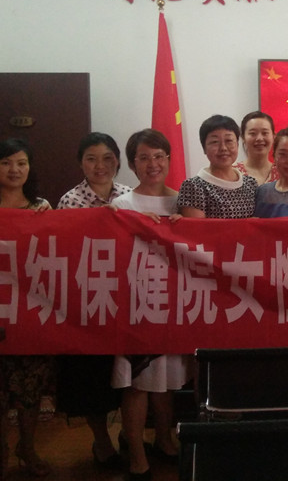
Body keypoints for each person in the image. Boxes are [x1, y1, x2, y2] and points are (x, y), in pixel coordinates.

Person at [0, 138, 52, 477]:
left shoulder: (42, 206)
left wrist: (48, 222)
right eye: (6, 163)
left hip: (31, 310)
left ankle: (27, 447)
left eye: (21, 163)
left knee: (31, 386)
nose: (14, 170)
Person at [110, 129, 188, 481]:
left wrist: (187, 227)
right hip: (135, 303)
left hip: (176, 302)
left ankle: (165, 440)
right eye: (144, 158)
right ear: (132, 164)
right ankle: (137, 456)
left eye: (159, 156)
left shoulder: (182, 203)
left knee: (168, 379)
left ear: (169, 159)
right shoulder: (122, 205)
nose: (153, 164)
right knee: (137, 382)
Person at [54, 132, 128, 470]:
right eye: (91, 159)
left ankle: (129, 435)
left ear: (118, 161)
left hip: (127, 298)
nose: (100, 166)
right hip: (86, 301)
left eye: (108, 158)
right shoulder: (69, 201)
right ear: (80, 163)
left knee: (128, 373)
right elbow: (65, 251)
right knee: (91, 376)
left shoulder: (129, 196)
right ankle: (102, 442)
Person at [178, 115, 258, 219]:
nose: (223, 148)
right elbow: (197, 228)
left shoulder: (251, 184)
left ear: (238, 145)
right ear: (204, 148)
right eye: (214, 142)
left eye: (229, 141)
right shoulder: (194, 187)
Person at [233, 111, 278, 185]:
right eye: (253, 133)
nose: (259, 138)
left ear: (273, 136)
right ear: (243, 137)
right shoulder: (233, 173)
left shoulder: (282, 173)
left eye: (265, 133)